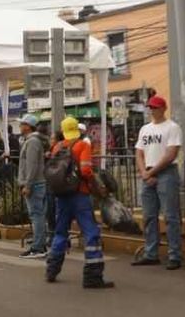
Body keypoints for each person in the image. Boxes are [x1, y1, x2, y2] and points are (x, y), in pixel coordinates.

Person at [45, 117, 113, 289]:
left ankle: (52, 270)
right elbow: (85, 170)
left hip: (61, 196)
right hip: (80, 195)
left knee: (60, 232)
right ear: (77, 129)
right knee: (91, 232)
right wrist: (96, 185)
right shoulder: (83, 145)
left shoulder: (57, 147)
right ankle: (93, 275)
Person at [132, 95, 183, 270]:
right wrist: (144, 172)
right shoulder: (145, 129)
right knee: (149, 216)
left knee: (170, 216)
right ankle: (151, 253)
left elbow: (171, 154)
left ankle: (174, 255)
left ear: (163, 108)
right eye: (150, 107)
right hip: (148, 171)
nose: (152, 110)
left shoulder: (172, 127)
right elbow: (138, 152)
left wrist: (150, 172)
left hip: (166, 172)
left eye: (155, 107)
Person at [17, 114, 47, 259]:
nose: (20, 126)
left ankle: (38, 247)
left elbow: (32, 165)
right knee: (37, 215)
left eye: (22, 124)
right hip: (35, 183)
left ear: (28, 126)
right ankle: (40, 243)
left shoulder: (33, 142)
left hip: (34, 184)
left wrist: (27, 185)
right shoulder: (31, 141)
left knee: (36, 215)